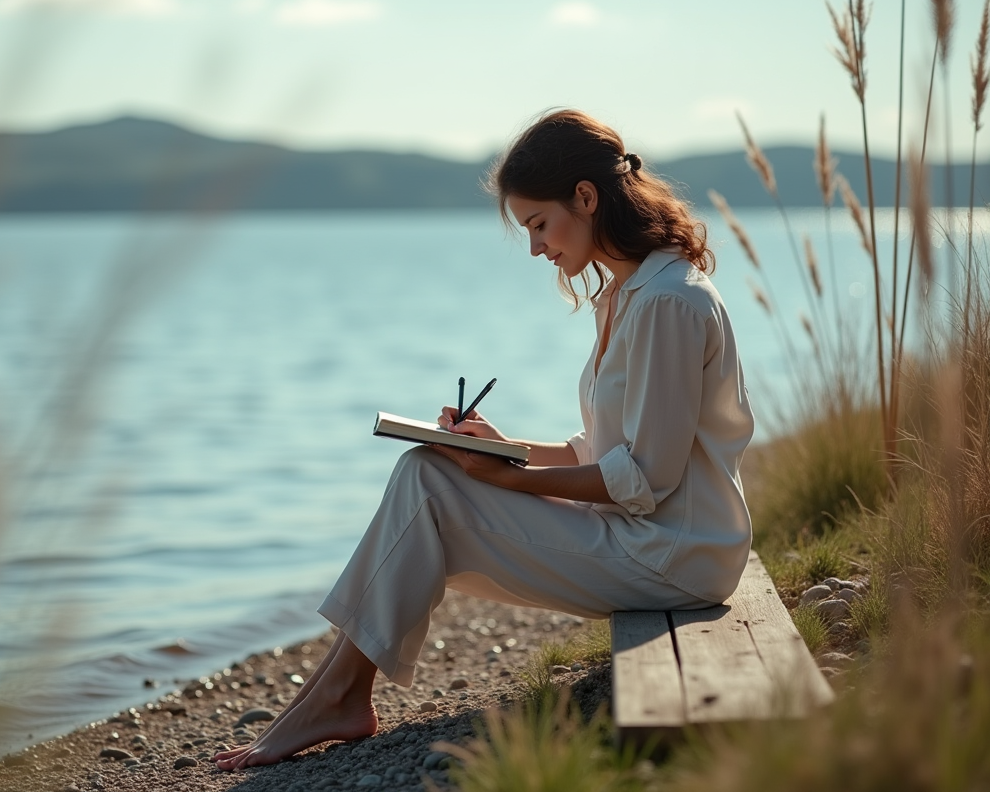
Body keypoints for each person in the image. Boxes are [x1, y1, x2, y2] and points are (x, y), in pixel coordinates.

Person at [214, 109, 755, 770]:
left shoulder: (668, 302)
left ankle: (334, 698)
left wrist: (511, 479)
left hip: (675, 556)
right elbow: (600, 451)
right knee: (428, 472)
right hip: (648, 536)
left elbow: (647, 478)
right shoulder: (628, 294)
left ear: (585, 198)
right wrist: (503, 450)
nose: (536, 248)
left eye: (538, 225)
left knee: (428, 484)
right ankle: (336, 694)